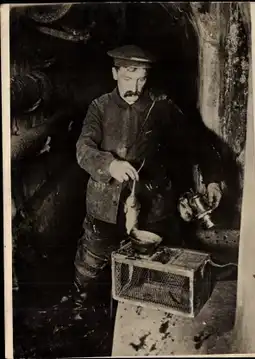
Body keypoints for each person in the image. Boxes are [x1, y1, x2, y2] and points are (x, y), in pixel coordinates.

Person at [67, 45, 224, 316]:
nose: (135, 87)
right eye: (128, 78)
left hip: (153, 206)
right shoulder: (99, 107)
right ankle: (80, 309)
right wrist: (109, 164)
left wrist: (212, 179)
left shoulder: (161, 107)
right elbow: (83, 148)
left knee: (152, 268)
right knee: (90, 263)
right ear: (115, 73)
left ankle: (145, 316)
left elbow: (197, 142)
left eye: (141, 78)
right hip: (104, 205)